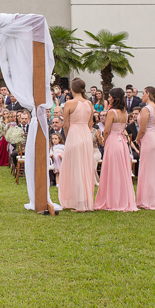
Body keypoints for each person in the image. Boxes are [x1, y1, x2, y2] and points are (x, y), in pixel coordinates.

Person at [93, 88, 138, 212]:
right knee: (121, 170)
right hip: (122, 142)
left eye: (110, 96)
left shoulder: (112, 112)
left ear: (114, 98)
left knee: (112, 169)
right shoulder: (124, 111)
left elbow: (107, 130)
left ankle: (113, 200)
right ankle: (122, 198)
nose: (108, 98)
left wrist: (103, 140)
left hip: (113, 140)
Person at [57, 78, 95, 211]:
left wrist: (68, 138)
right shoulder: (89, 103)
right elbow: (91, 124)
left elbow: (66, 125)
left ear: (72, 89)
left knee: (75, 167)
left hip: (74, 134)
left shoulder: (69, 103)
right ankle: (84, 200)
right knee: (85, 167)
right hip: (86, 135)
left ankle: (79, 203)